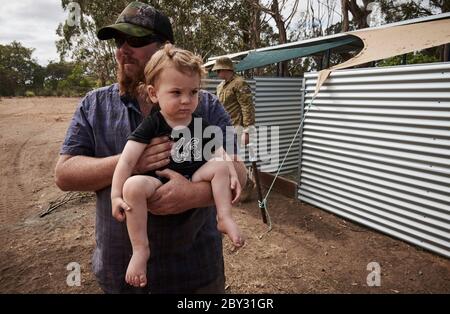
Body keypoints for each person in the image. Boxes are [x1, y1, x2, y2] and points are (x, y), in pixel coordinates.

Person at [55, 1, 247, 294]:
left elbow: (237, 172)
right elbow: (65, 174)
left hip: (195, 273)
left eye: (136, 40)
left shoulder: (204, 105)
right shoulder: (94, 105)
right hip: (122, 272)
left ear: (164, 48)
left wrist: (192, 195)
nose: (123, 49)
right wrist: (133, 162)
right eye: (120, 41)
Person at [111, 44, 245, 288]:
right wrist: (115, 195)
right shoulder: (153, 124)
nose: (186, 100)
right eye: (176, 93)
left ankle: (224, 217)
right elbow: (127, 160)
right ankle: (140, 250)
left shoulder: (199, 122)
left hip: (192, 177)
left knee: (220, 166)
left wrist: (232, 172)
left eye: (193, 92)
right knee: (132, 186)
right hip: (157, 180)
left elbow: (218, 150)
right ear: (154, 94)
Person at [212, 57, 256, 201]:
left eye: (219, 70)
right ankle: (232, 184)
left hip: (235, 127)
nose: (217, 73)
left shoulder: (239, 83)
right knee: (223, 157)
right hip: (221, 127)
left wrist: (247, 130)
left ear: (227, 69)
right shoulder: (220, 86)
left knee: (233, 158)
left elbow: (247, 107)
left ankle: (247, 183)